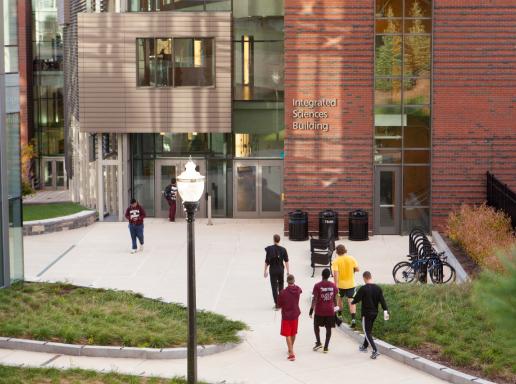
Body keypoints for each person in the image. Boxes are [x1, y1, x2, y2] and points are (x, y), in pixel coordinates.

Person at [352, 271, 389, 360]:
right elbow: (382, 301)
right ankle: (364, 346)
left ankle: (375, 350)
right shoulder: (378, 288)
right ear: (370, 277)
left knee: (367, 332)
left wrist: (353, 300)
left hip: (366, 314)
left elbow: (356, 299)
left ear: (364, 278)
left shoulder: (363, 288)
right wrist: (386, 311)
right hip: (374, 313)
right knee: (368, 330)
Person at [309, 268, 339, 353]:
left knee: (316, 325)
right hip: (330, 311)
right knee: (328, 328)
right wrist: (336, 309)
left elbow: (314, 299)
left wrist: (311, 310)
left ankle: (318, 342)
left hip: (319, 311)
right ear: (329, 276)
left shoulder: (317, 285)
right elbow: (335, 299)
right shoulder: (333, 285)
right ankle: (326, 347)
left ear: (322, 275)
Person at [332, 244, 359, 327]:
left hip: (340, 285)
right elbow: (357, 269)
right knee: (351, 301)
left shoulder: (336, 261)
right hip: (351, 284)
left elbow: (335, 274)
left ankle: (340, 315)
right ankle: (353, 319)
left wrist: (335, 285)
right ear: (345, 250)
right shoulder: (351, 258)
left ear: (337, 252)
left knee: (339, 299)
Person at [277, 274, 302, 361]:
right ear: (294, 281)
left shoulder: (283, 292)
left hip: (286, 315)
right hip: (295, 314)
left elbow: (279, 305)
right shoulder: (298, 289)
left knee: (287, 334)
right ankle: (290, 348)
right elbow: (300, 291)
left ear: (287, 282)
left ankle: (291, 354)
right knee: (293, 333)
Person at [264, 234, 290, 309]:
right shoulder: (283, 249)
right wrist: (288, 272)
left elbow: (266, 261)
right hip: (280, 270)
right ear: (279, 240)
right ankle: (281, 303)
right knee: (281, 285)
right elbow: (286, 261)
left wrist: (265, 271)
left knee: (274, 287)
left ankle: (277, 304)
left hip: (272, 270)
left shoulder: (269, 249)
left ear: (273, 240)